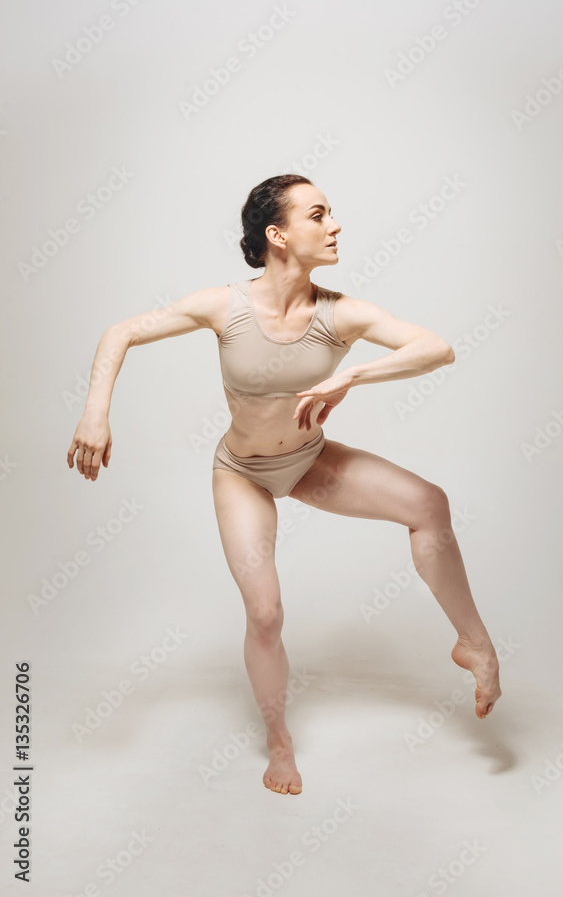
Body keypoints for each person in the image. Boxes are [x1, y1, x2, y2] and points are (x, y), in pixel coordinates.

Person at [67, 173, 502, 796]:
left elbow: (438, 348)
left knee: (429, 504)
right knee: (266, 614)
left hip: (309, 461)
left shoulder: (339, 313)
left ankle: (474, 645)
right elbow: (122, 332)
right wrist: (95, 413)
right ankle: (279, 742)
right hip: (243, 473)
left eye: (332, 215)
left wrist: (351, 378)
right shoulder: (225, 306)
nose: (335, 226)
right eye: (319, 215)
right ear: (277, 234)